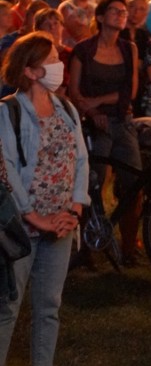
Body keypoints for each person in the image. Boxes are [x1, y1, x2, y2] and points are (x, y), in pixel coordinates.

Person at [0, 32, 89, 366]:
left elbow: (80, 160)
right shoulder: (7, 113)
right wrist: (33, 217)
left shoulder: (66, 108)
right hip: (21, 228)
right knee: (7, 307)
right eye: (52, 60)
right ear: (30, 70)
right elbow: (6, 170)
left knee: (49, 308)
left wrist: (74, 210)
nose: (59, 65)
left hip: (61, 224)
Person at [68, 0, 143, 263]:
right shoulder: (84, 50)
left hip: (122, 122)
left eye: (124, 11)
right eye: (115, 10)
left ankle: (128, 247)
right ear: (100, 17)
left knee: (133, 184)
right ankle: (88, 245)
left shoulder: (128, 49)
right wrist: (90, 110)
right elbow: (74, 90)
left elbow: (130, 91)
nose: (121, 14)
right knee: (93, 185)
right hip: (93, 124)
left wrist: (97, 101)